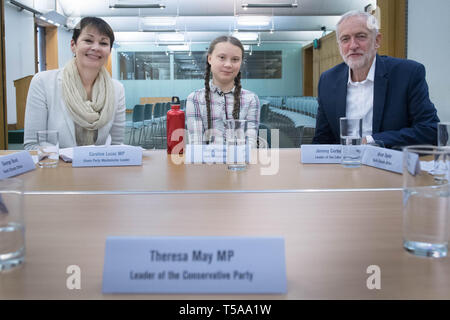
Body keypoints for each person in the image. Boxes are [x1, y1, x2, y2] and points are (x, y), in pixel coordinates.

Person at [312, 11, 439, 148]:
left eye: (361, 37)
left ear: (377, 41)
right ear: (339, 45)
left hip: (390, 166)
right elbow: (322, 139)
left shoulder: (408, 74)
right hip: (345, 165)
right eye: (345, 39)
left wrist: (372, 140)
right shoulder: (328, 80)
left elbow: (431, 130)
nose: (353, 45)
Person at [24, 17, 125, 150]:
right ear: (73, 45)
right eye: (88, 40)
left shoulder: (117, 89)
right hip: (57, 169)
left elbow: (117, 145)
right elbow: (33, 145)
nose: (96, 47)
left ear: (109, 50)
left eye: (103, 43)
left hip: (100, 169)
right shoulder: (43, 82)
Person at [186, 36, 260, 148]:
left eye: (235, 59)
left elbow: (250, 145)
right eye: (222, 57)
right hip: (207, 164)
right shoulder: (195, 99)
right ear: (209, 59)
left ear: (240, 63)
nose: (228, 64)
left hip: (240, 163)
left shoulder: (251, 99)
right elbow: (197, 146)